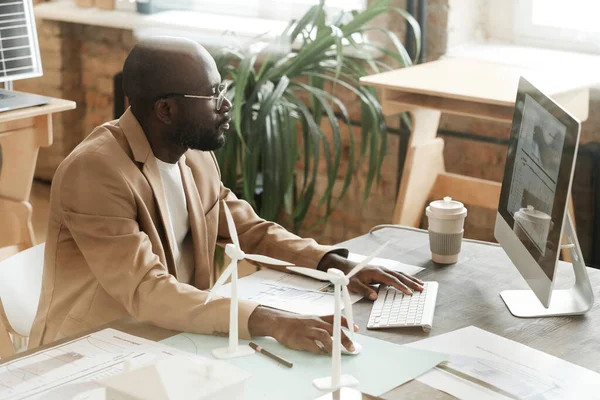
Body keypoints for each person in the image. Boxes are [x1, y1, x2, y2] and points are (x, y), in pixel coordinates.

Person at [29, 36, 423, 354]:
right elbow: (146, 291)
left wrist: (334, 262)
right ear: (165, 110)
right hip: (92, 351)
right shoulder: (96, 172)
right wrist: (272, 320)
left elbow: (250, 231)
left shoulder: (194, 158)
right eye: (214, 93)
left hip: (172, 337)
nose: (226, 104)